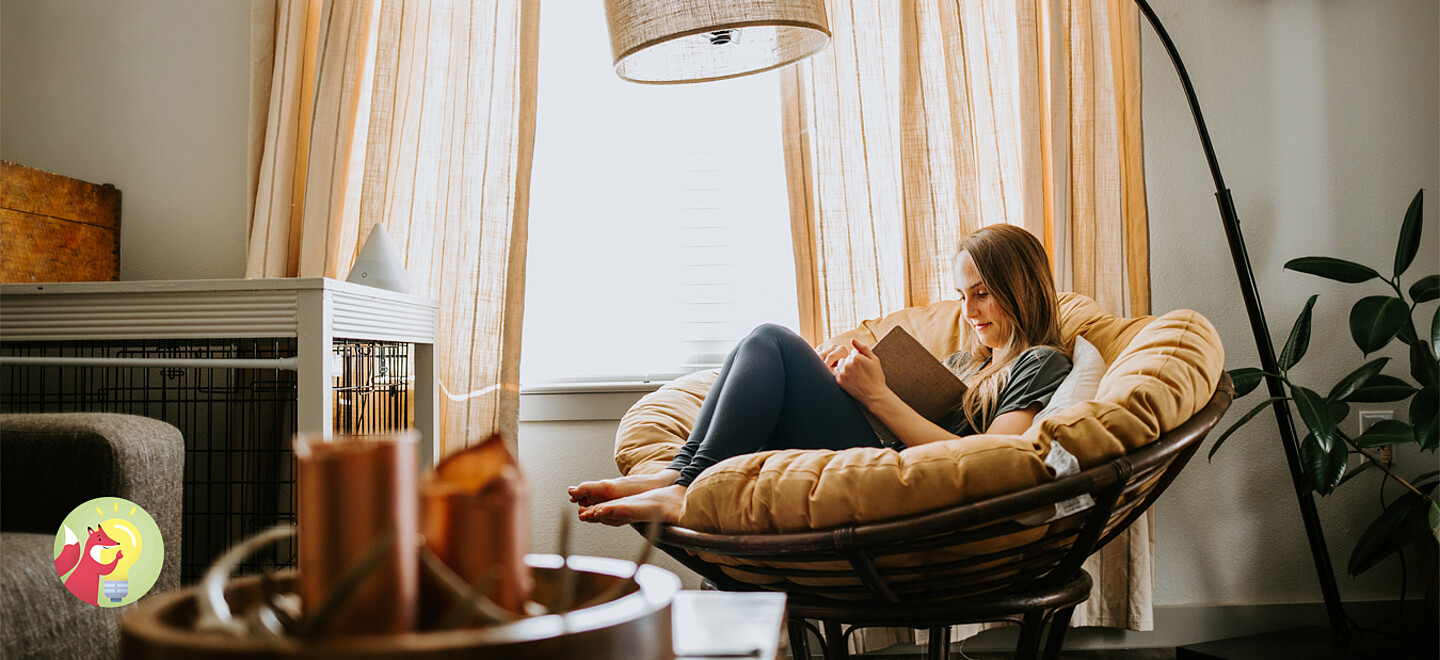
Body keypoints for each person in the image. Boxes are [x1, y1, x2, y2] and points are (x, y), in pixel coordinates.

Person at [569, 224, 1072, 526]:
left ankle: (687, 485)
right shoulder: (973, 361)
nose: (969, 311)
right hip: (877, 443)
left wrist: (876, 396)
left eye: (982, 293)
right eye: (963, 296)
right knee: (756, 346)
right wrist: (849, 379)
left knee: (773, 341)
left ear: (1021, 286)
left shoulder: (1040, 361)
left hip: (898, 474)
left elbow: (995, 459)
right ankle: (680, 472)